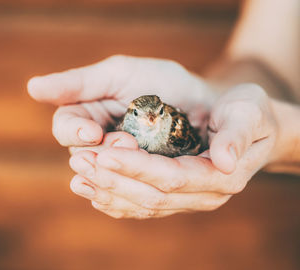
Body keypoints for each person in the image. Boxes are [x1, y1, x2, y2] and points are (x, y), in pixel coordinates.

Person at [27, 0, 300, 219]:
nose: (150, 119)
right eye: (141, 114)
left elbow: (191, 139)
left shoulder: (174, 128)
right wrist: (215, 96)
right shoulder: (124, 126)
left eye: (156, 114)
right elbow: (266, 62)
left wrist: (281, 132)